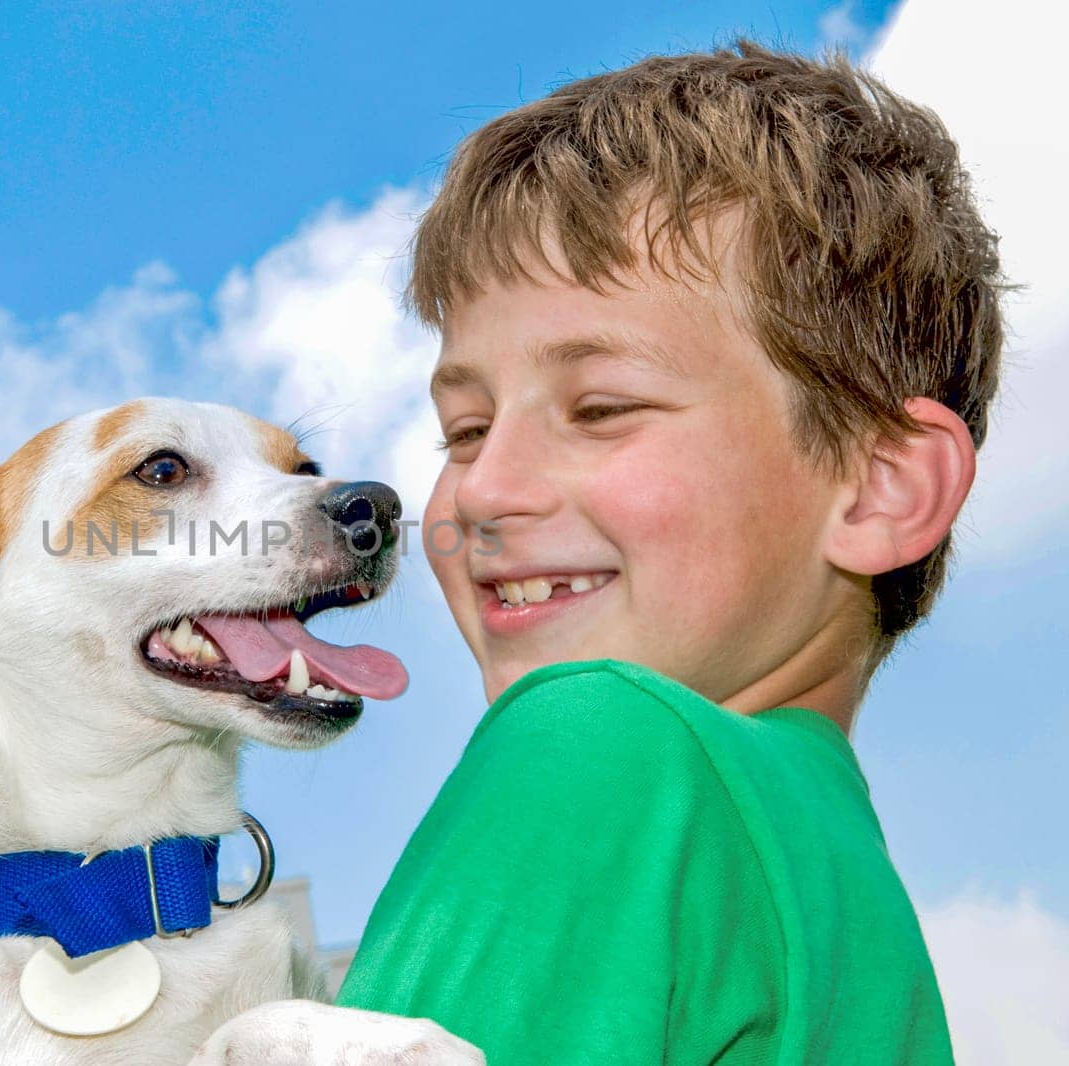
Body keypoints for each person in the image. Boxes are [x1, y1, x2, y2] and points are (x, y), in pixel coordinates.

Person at [194, 39, 1003, 1065]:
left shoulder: (605, 745)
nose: (478, 488)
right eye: (465, 431)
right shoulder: (845, 907)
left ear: (885, 485)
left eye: (602, 407)